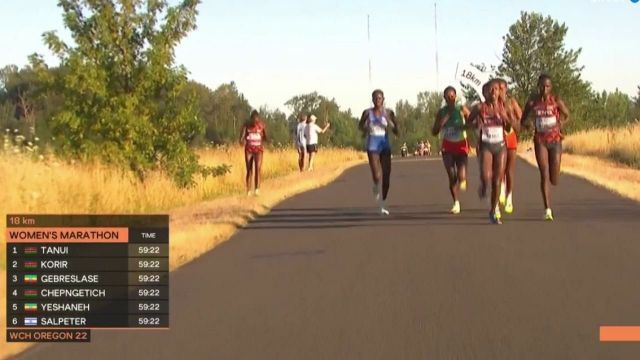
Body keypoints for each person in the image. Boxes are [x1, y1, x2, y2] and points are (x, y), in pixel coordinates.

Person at [468, 80, 518, 224]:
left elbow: (511, 127)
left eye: (496, 90)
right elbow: (468, 123)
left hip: (500, 146)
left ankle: (493, 210)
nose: (494, 92)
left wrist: (505, 118)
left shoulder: (505, 107)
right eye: (490, 90)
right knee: (485, 176)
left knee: (497, 180)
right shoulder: (479, 108)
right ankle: (483, 185)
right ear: (484, 93)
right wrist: (475, 124)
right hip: (486, 146)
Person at [521, 74, 570, 221]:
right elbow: (523, 120)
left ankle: (554, 178)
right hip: (540, 140)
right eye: (542, 86)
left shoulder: (556, 101)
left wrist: (560, 124)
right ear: (538, 86)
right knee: (544, 173)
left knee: (554, 177)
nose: (544, 89)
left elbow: (567, 115)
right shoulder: (532, 103)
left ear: (551, 87)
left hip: (555, 140)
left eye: (547, 86)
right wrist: (528, 124)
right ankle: (547, 209)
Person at [359, 89, 399, 215]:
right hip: (372, 144)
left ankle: (382, 204)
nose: (377, 100)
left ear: (383, 99)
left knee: (386, 177)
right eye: (375, 98)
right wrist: (366, 128)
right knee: (377, 175)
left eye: (380, 98)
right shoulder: (367, 113)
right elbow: (360, 126)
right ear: (372, 100)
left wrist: (390, 123)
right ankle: (376, 185)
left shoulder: (389, 112)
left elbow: (397, 130)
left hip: (384, 144)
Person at [432, 86, 471, 214]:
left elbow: (472, 121)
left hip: (461, 145)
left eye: (452, 95)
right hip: (447, 145)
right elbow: (434, 131)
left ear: (456, 97)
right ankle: (456, 203)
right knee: (451, 174)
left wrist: (463, 125)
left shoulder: (461, 108)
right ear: (444, 98)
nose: (450, 98)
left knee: (461, 175)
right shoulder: (442, 112)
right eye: (448, 96)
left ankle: (463, 179)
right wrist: (444, 120)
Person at [497, 78, 523, 214]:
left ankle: (509, 198)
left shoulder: (511, 102)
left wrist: (511, 120)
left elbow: (520, 119)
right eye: (497, 88)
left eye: (502, 88)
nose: (500, 91)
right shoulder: (493, 104)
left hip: (510, 136)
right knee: (499, 169)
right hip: (497, 139)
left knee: (509, 170)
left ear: (506, 89)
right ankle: (501, 189)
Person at [239, 110, 267, 196]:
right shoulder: (246, 126)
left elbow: (266, 137)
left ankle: (257, 189)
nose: (255, 122)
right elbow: (241, 137)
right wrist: (242, 141)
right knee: (249, 169)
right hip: (249, 150)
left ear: (258, 119)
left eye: (256, 120)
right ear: (251, 119)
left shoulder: (261, 126)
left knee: (257, 169)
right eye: (253, 120)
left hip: (258, 150)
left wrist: (263, 137)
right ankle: (248, 190)